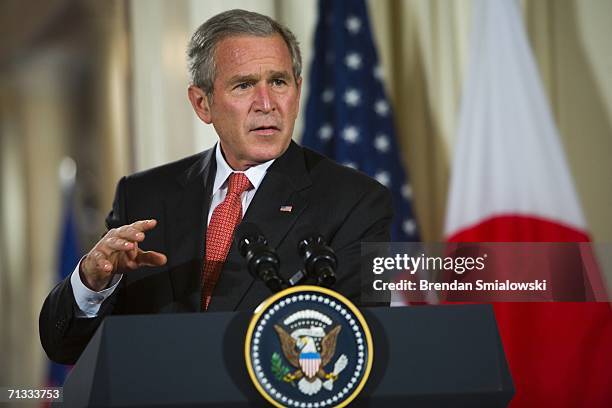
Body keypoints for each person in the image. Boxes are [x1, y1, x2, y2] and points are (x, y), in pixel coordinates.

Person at [39, 9, 392, 365]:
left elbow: (359, 341)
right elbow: (65, 348)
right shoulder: (143, 196)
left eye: (279, 82)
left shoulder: (359, 202)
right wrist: (91, 282)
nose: (267, 104)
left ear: (298, 92)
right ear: (202, 103)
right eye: (244, 85)